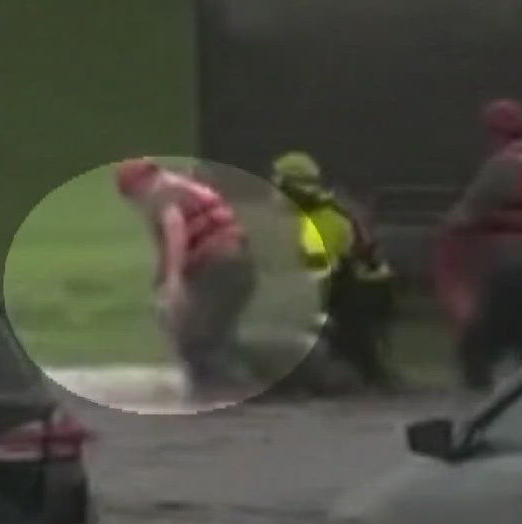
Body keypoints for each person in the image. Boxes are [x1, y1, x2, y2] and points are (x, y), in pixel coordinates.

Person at [440, 98, 522, 391]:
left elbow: (465, 216)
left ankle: (477, 412)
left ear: (494, 132)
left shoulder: (502, 165)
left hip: (509, 274)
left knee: (476, 348)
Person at [114, 157, 255, 402]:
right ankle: (227, 390)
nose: (136, 203)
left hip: (219, 265)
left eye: (133, 195)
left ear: (140, 184)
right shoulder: (180, 186)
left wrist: (173, 280)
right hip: (237, 266)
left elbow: (175, 229)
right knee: (217, 334)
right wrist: (163, 281)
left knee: (198, 336)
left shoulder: (163, 192)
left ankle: (220, 393)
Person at [270, 152, 398, 390]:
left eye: (278, 182)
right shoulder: (305, 214)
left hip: (364, 291)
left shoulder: (325, 218)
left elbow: (320, 275)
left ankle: (367, 372)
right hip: (343, 286)